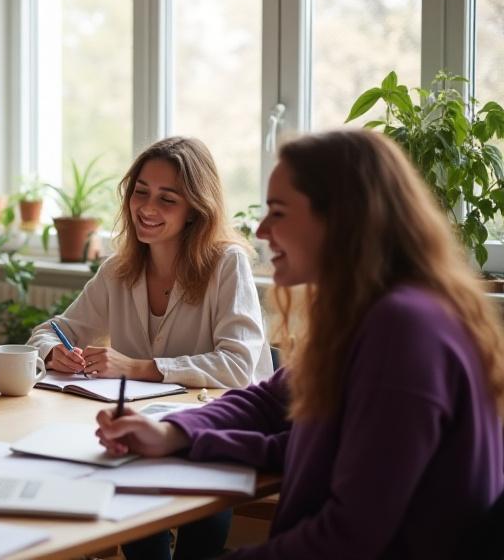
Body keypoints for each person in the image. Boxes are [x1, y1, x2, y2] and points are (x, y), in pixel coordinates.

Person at [96, 130, 504, 558]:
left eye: (278, 212)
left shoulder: (402, 330)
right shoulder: (365, 313)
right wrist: (174, 433)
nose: (261, 229)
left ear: (339, 219)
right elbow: (271, 403)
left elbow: (349, 538)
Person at [29, 136, 272, 388]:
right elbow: (48, 333)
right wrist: (53, 352)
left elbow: (237, 366)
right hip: (142, 417)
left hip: (219, 418)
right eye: (141, 192)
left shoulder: (227, 263)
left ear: (195, 209)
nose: (146, 208)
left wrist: (134, 367)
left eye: (166, 199)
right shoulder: (117, 270)